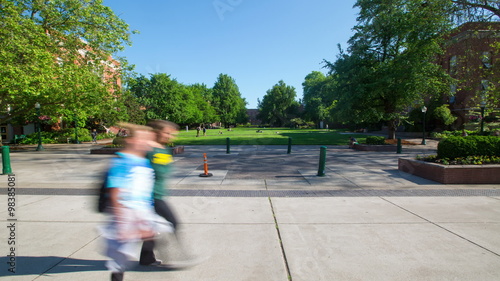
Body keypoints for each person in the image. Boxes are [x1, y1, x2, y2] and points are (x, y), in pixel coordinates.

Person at [102, 123, 172, 281]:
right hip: (125, 215)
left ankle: (147, 257)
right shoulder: (123, 162)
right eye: (143, 139)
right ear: (132, 140)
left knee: (164, 227)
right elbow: (115, 191)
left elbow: (144, 192)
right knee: (120, 260)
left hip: (141, 212)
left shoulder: (144, 162)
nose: (148, 143)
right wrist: (122, 222)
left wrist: (146, 223)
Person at [139, 120, 180, 266]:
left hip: (159, 194)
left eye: (172, 134)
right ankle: (175, 256)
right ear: (157, 132)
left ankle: (146, 258)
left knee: (153, 227)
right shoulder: (147, 150)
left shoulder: (164, 149)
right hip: (150, 196)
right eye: (167, 133)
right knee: (173, 223)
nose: (170, 137)